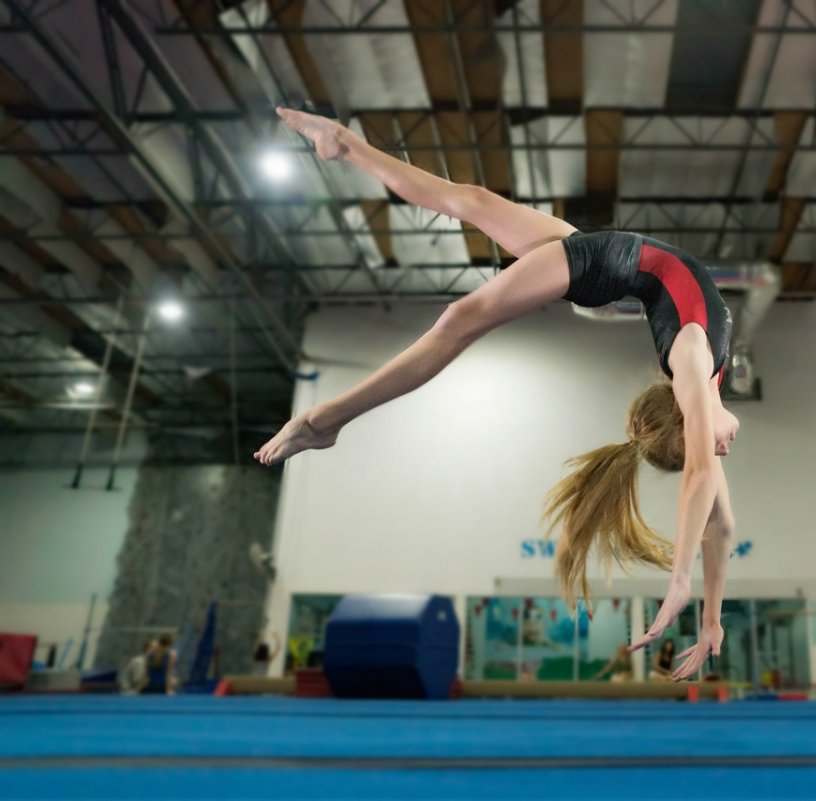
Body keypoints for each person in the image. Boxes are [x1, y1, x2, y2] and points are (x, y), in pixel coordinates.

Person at [255, 108, 740, 681]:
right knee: (468, 203)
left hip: (604, 263)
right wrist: (688, 587)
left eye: (702, 449)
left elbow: (716, 517)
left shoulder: (693, 371)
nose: (721, 451)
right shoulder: (694, 366)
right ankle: (342, 145)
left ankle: (324, 421)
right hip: (606, 259)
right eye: (708, 448)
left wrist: (708, 613)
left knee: (461, 312)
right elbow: (705, 489)